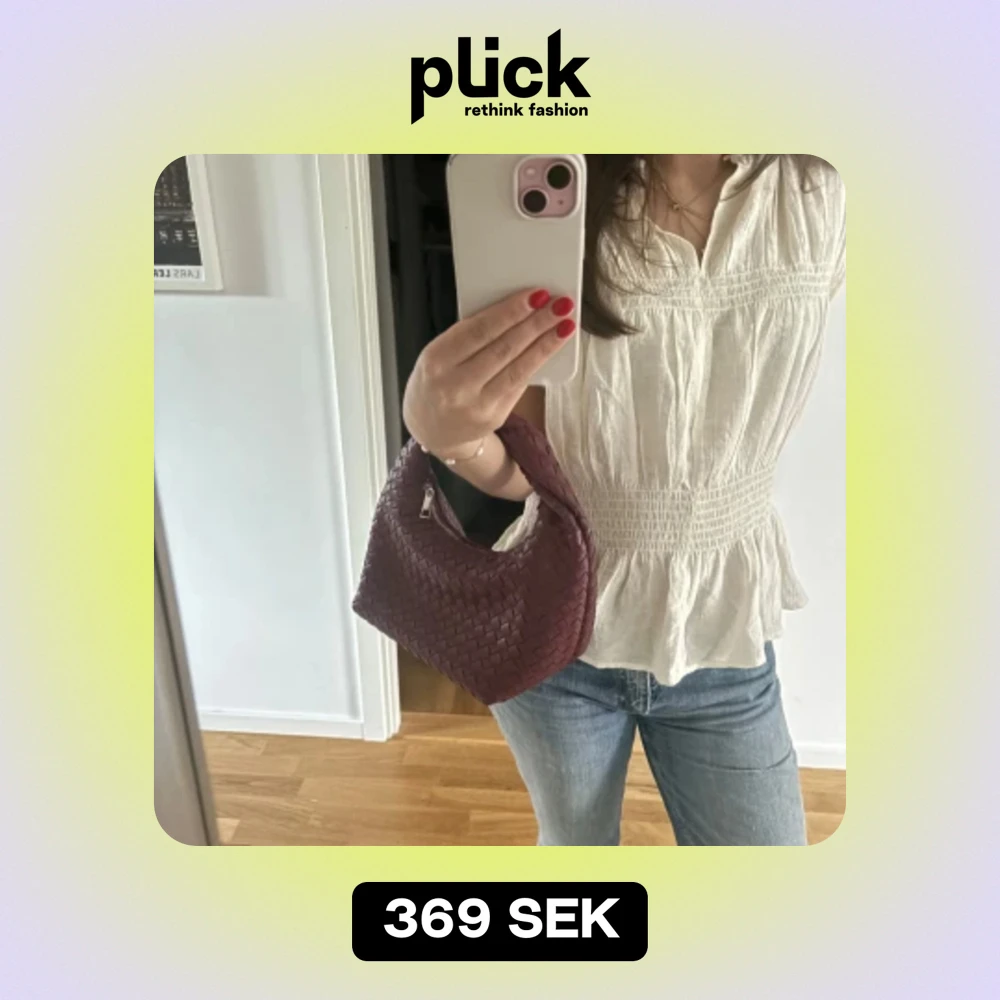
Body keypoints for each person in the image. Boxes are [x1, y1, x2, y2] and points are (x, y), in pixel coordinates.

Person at [402, 154, 846, 846]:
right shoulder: (554, 192)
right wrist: (452, 437)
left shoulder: (820, 188)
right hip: (556, 636)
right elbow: (534, 475)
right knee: (576, 860)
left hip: (721, 637)